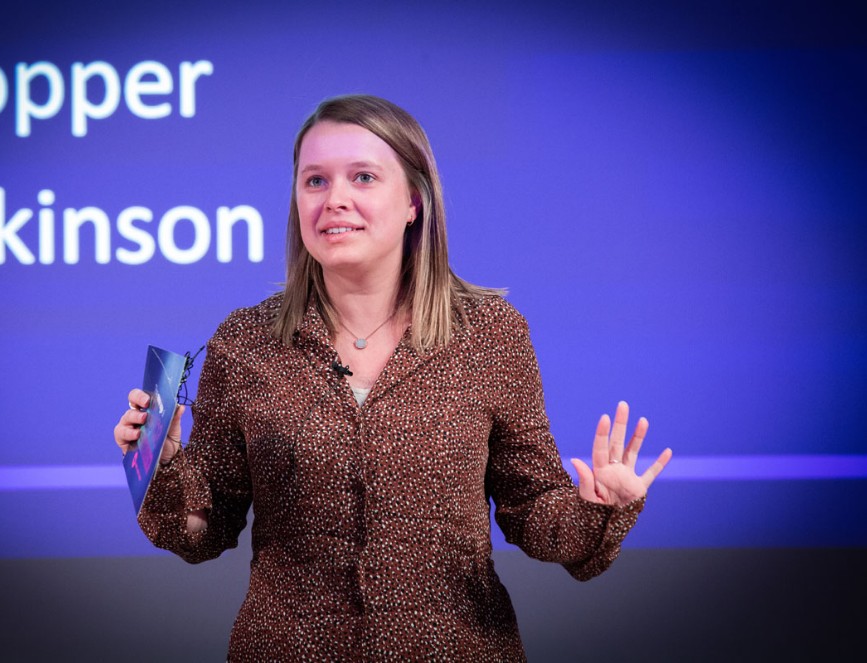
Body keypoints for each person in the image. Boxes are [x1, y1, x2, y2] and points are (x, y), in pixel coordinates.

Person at [113, 94, 672, 661]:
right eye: (315, 181)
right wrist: (160, 464)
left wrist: (596, 509)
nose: (335, 199)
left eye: (363, 177)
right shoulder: (245, 342)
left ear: (413, 201)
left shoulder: (489, 333)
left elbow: (533, 509)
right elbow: (203, 530)